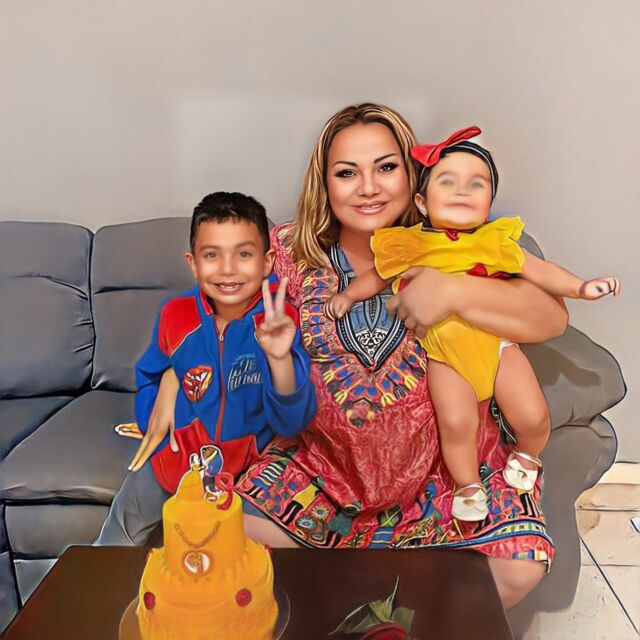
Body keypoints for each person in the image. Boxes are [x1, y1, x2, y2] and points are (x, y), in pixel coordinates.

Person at [148, 104, 569, 608]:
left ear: (412, 177)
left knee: (518, 566)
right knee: (224, 535)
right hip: (319, 479)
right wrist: (172, 378)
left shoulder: (458, 242)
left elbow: (551, 317)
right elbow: (211, 311)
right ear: (324, 184)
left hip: (441, 480)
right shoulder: (288, 252)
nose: (368, 188)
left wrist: (455, 292)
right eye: (347, 173)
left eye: (386, 167)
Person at [325, 126, 620, 522]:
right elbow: (377, 276)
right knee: (456, 422)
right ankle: (467, 485)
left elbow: (541, 272)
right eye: (448, 182)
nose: (462, 191)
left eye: (476, 184)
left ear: (489, 200)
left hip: (498, 347)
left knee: (533, 415)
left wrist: (581, 287)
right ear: (422, 202)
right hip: (446, 355)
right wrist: (347, 296)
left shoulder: (494, 242)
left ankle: (527, 454)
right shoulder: (410, 244)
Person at [95, 191, 316, 544]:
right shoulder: (175, 315)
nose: (227, 269)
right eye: (212, 255)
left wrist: (279, 358)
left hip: (246, 471)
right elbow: (149, 374)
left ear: (267, 262)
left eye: (244, 254)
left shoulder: (280, 319)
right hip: (177, 458)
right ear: (193, 263)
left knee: (224, 554)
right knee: (117, 535)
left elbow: (292, 422)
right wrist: (154, 424)